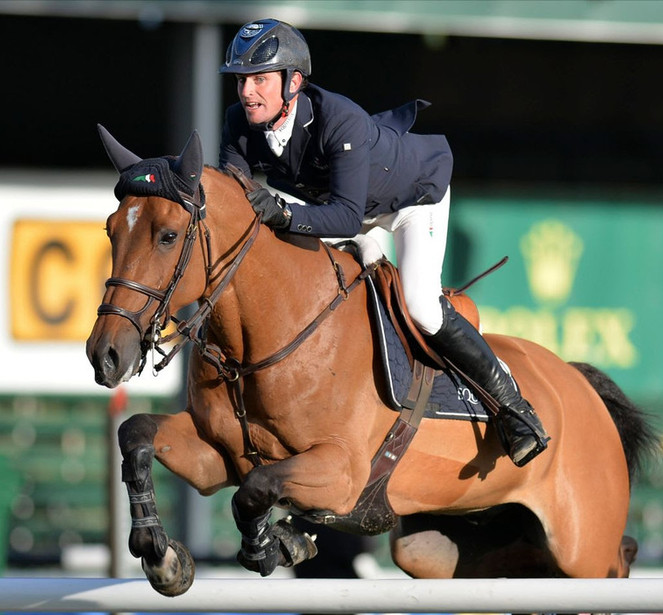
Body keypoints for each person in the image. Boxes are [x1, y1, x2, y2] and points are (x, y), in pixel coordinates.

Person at [217, 18, 548, 467]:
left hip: (412, 200)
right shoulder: (239, 122)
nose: (247, 92)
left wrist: (288, 214)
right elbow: (235, 199)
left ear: (294, 81)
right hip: (350, 212)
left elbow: (347, 215)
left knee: (421, 305)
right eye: (241, 80)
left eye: (259, 79)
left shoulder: (339, 119)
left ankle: (514, 407)